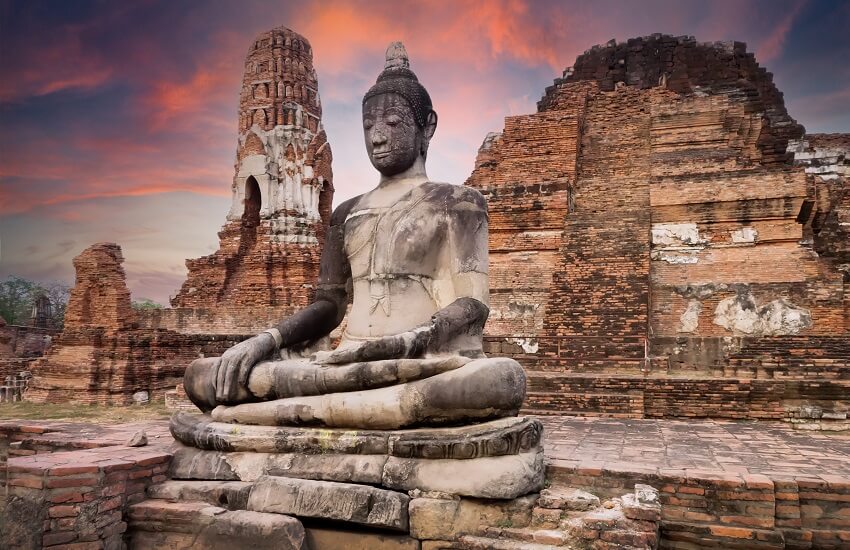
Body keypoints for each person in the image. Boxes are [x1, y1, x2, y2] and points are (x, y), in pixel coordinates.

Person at [183, 42, 525, 429]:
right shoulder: (347, 212)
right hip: (343, 365)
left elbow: (472, 304)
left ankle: (286, 417)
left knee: (500, 380)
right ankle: (360, 414)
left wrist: (409, 341)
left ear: (427, 125)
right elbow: (329, 305)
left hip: (417, 363)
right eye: (368, 126)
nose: (377, 136)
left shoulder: (457, 202)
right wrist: (267, 340)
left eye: (393, 123)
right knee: (203, 376)